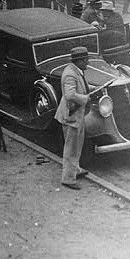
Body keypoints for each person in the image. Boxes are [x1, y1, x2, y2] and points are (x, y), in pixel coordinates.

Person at [54, 47, 91, 190]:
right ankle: (68, 179)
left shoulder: (76, 71)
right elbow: (70, 95)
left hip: (76, 115)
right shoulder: (70, 74)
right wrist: (86, 98)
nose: (87, 62)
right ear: (79, 61)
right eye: (86, 60)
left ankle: (75, 169)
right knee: (71, 148)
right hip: (71, 115)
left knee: (77, 145)